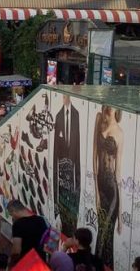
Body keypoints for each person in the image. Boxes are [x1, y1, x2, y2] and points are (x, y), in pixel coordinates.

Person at [92, 106, 123, 268]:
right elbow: (94, 158)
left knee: (105, 233)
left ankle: (98, 266)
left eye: (113, 106)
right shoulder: (99, 120)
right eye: (108, 105)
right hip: (101, 188)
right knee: (101, 231)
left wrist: (121, 211)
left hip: (113, 192)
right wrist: (96, 193)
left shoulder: (120, 133)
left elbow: (118, 172)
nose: (110, 108)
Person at [54, 95, 81, 238]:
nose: (64, 98)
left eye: (66, 95)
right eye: (63, 95)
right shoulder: (58, 115)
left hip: (75, 171)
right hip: (62, 171)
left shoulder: (77, 114)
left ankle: (71, 231)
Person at [7, 200, 47, 264]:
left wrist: (10, 263)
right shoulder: (40, 220)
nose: (12, 217)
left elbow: (16, 250)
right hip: (41, 261)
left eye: (11, 214)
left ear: (13, 211)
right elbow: (47, 241)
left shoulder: (18, 225)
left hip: (27, 263)